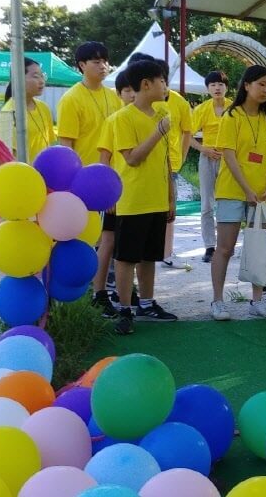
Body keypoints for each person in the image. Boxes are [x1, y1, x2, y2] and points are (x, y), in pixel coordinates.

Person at [110, 60, 178, 334]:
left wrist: (171, 197)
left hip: (157, 199)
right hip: (133, 200)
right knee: (127, 257)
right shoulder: (123, 118)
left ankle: (147, 304)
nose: (165, 86)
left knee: (149, 256)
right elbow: (132, 158)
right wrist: (158, 132)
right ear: (146, 84)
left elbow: (166, 161)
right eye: (162, 80)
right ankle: (125, 310)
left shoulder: (162, 113)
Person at [210, 65, 266, 321]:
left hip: (262, 195)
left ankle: (257, 300)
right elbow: (229, 156)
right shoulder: (232, 116)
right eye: (261, 84)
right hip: (231, 191)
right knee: (225, 248)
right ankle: (218, 301)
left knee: (258, 247)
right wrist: (247, 189)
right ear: (247, 85)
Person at [93, 69, 138, 319]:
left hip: (136, 194)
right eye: (127, 90)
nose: (132, 95)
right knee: (108, 241)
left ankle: (128, 291)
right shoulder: (114, 121)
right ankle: (99, 292)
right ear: (119, 93)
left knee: (129, 245)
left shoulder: (142, 118)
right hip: (116, 195)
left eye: (135, 89)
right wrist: (108, 194)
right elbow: (104, 158)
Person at [152, 58, 192, 269]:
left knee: (169, 209)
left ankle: (167, 253)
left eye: (162, 78)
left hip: (171, 164)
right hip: (146, 164)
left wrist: (182, 157)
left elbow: (187, 131)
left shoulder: (179, 102)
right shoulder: (143, 100)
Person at [57, 41, 123, 164]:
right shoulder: (71, 99)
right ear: (82, 65)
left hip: (115, 169)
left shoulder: (114, 96)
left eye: (105, 61)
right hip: (86, 170)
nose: (103, 66)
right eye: (97, 62)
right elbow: (66, 144)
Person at [190, 71, 232, 263]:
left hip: (229, 160)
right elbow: (187, 135)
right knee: (207, 203)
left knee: (227, 202)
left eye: (220, 84)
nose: (217, 88)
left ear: (226, 87)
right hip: (207, 158)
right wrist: (204, 149)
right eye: (213, 85)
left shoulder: (234, 108)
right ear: (207, 89)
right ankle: (209, 246)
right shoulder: (202, 109)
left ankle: (226, 245)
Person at [0, 57, 55, 162]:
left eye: (42, 76)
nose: (41, 81)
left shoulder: (44, 108)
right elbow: (9, 156)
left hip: (45, 171)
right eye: (36, 76)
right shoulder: (8, 112)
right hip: (23, 171)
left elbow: (50, 143)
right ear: (18, 79)